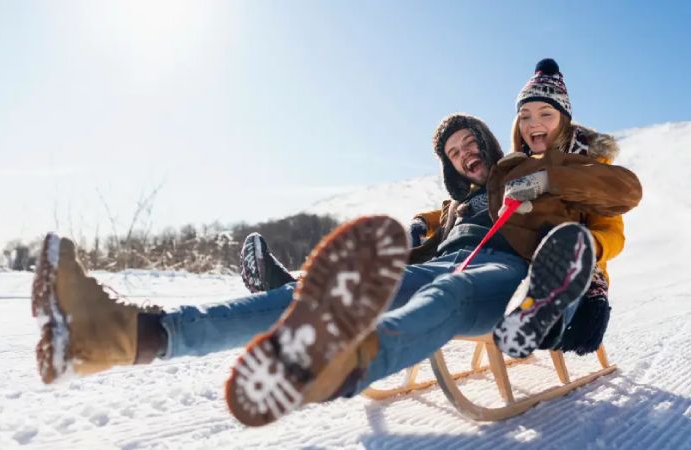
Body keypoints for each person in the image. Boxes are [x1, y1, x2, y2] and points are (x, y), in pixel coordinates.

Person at [32, 114, 533, 428]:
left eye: (470, 143)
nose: (465, 154)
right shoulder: (452, 209)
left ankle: (346, 362)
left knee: (450, 291)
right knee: (332, 291)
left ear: (487, 141)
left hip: (504, 273)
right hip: (444, 264)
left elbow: (582, 196)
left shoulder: (529, 175)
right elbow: (427, 230)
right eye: (454, 152)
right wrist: (419, 232)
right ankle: (121, 334)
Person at [487, 58, 642, 358]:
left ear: (564, 120)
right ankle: (531, 312)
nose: (533, 124)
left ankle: (547, 316)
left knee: (560, 267)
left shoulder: (589, 164)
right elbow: (471, 204)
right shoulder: (512, 168)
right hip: (518, 263)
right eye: (524, 116)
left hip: (572, 265)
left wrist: (549, 182)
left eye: (546, 113)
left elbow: (613, 230)